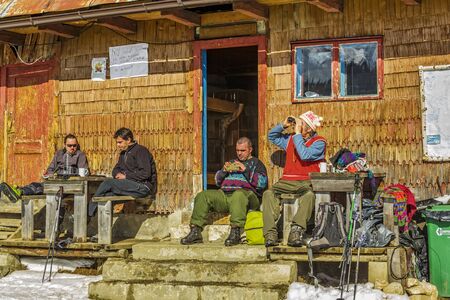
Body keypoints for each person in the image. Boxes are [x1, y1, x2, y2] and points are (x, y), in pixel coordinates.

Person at [181, 137, 268, 246]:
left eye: (243, 150)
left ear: (250, 150)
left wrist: (245, 170)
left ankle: (235, 232)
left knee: (239, 194)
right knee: (203, 195)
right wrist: (223, 171)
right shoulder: (232, 162)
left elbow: (262, 183)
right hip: (225, 195)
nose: (239, 153)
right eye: (237, 150)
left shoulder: (257, 163)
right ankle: (195, 231)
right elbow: (217, 181)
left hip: (247, 197)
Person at [262, 111, 326, 247]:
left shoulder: (319, 142)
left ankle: (296, 230)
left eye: (301, 124)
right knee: (268, 194)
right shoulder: (291, 139)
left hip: (305, 181)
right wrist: (283, 125)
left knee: (309, 196)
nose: (297, 125)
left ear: (309, 129)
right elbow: (271, 136)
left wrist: (297, 134)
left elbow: (304, 155)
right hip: (286, 181)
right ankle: (270, 234)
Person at [0, 134, 89, 202]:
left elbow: (83, 173)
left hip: (70, 184)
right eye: (70, 146)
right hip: (56, 181)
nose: (72, 148)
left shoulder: (80, 155)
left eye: (74, 145)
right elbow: (50, 169)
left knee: (40, 188)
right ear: (65, 145)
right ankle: (19, 190)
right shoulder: (59, 154)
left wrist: (71, 172)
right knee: (36, 185)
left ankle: (19, 191)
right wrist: (49, 174)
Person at [88, 127, 157, 216]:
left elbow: (146, 173)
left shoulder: (140, 151)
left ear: (128, 140)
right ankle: (98, 223)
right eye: (117, 142)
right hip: (130, 186)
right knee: (106, 196)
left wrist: (126, 176)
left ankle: (87, 214)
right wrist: (117, 174)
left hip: (143, 187)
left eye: (120, 142)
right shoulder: (123, 154)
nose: (118, 145)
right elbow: (115, 169)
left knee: (108, 182)